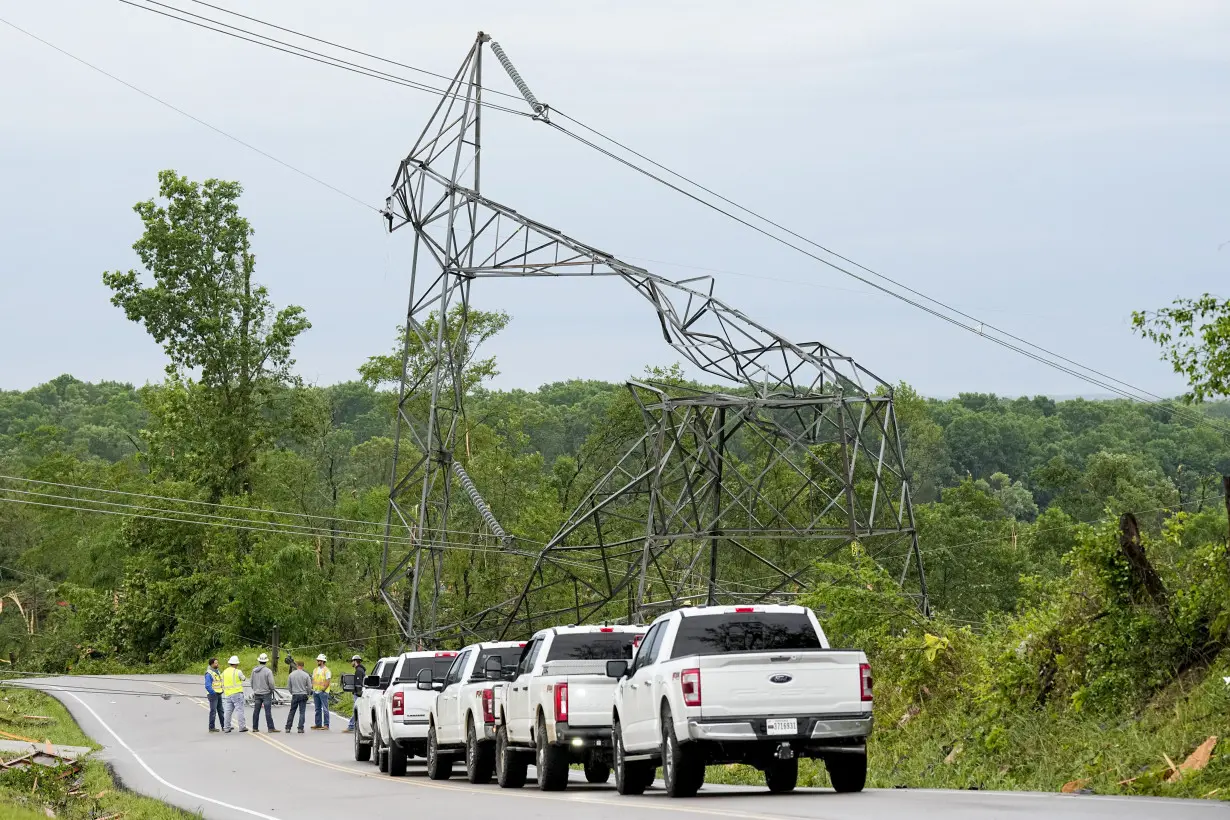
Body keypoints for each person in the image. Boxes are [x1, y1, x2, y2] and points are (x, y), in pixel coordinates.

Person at [250, 653, 280, 733]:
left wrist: (255, 689)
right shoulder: (268, 671)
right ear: (266, 661)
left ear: (259, 661)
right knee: (267, 711)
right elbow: (271, 683)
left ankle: (254, 727)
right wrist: (272, 689)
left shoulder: (254, 671)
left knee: (256, 711)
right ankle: (270, 728)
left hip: (257, 693)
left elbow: (251, 682)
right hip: (266, 693)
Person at [221, 655, 248, 733]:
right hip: (237, 693)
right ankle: (242, 727)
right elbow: (244, 678)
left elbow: (221, 679)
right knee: (239, 710)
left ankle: (226, 727)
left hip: (228, 694)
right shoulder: (238, 671)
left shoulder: (225, 671)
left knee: (228, 711)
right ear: (236, 664)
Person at [285, 661, 312, 733]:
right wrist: (308, 693)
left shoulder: (291, 675)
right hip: (303, 694)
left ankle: (288, 727)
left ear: (297, 665)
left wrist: (292, 692)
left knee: (292, 711)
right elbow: (309, 686)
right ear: (303, 666)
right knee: (302, 712)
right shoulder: (306, 675)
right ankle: (300, 728)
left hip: (295, 694)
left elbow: (289, 686)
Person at [345, 654, 365, 734]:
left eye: (352, 661)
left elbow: (359, 683)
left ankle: (351, 726)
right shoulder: (360, 669)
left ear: (355, 661)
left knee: (356, 710)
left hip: (358, 694)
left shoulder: (359, 671)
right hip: (358, 693)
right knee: (358, 710)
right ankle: (356, 726)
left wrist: (358, 693)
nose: (351, 663)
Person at [311, 653, 332, 730]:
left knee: (325, 709)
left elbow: (328, 681)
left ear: (322, 661)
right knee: (317, 709)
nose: (317, 662)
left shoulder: (327, 671)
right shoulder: (315, 670)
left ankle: (326, 725)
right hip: (316, 691)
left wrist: (323, 689)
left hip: (323, 692)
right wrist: (312, 688)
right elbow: (313, 679)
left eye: (318, 660)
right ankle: (318, 724)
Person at [204, 657, 224, 733]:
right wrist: (213, 693)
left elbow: (219, 681)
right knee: (213, 711)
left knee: (221, 710)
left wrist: (222, 690)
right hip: (213, 695)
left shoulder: (217, 671)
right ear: (212, 664)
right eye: (216, 663)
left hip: (219, 693)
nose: (217, 664)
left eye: (217, 662)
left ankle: (224, 726)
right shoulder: (209, 673)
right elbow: (207, 685)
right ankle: (211, 727)